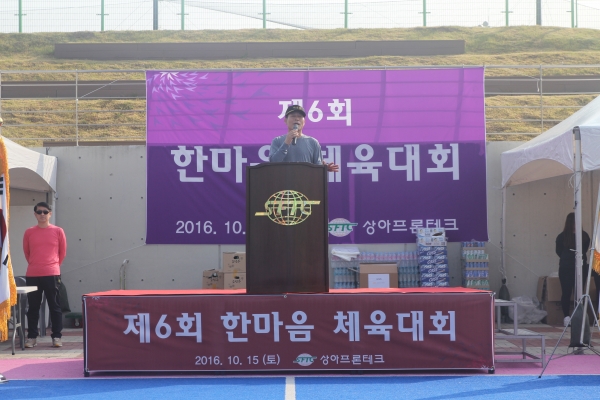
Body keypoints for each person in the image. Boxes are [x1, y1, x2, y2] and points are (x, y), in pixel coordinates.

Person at [23, 202, 67, 348]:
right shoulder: (29, 232)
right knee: (33, 307)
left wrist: (53, 266)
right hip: (33, 274)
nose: (42, 214)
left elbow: (62, 253)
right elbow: (27, 252)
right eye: (39, 212)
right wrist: (36, 264)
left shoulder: (58, 231)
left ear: (50, 214)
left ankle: (57, 336)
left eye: (45, 212)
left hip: (52, 273)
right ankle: (32, 337)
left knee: (54, 306)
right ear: (35, 214)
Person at [555, 212, 600, 327]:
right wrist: (568, 258)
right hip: (566, 268)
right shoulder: (562, 236)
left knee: (579, 293)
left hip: (581, 268)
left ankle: (578, 315)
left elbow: (585, 249)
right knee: (566, 292)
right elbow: (559, 251)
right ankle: (566, 317)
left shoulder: (584, 235)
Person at [270, 105, 339, 172]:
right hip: (284, 179)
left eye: (300, 116)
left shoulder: (313, 142)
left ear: (304, 122)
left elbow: (318, 168)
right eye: (293, 116)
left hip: (306, 179)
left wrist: (323, 168)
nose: (297, 119)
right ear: (285, 120)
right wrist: (286, 143)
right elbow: (273, 163)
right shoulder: (277, 141)